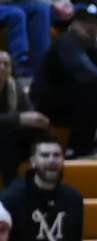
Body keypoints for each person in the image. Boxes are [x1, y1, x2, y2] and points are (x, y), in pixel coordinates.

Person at [31, 4, 97, 159]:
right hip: (51, 103)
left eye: (95, 22)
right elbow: (84, 71)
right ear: (73, 24)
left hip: (81, 105)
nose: (91, 26)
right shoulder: (67, 41)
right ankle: (78, 149)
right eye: (85, 21)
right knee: (90, 86)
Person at [0, 51, 51, 183]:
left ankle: (46, 172)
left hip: (10, 144)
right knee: (5, 133)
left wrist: (39, 120)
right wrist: (18, 119)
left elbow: (29, 113)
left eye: (6, 64)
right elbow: (21, 118)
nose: (2, 67)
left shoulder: (14, 87)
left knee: (39, 130)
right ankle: (11, 185)